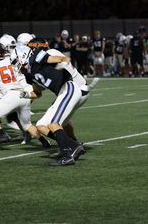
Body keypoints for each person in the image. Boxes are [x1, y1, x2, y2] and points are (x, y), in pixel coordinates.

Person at [18, 38, 95, 166]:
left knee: (55, 123)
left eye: (15, 61)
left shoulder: (40, 56)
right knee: (42, 125)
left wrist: (63, 76)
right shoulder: (29, 71)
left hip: (72, 88)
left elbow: (64, 61)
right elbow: (38, 92)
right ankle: (73, 145)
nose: (16, 66)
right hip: (65, 91)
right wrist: (24, 94)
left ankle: (68, 151)